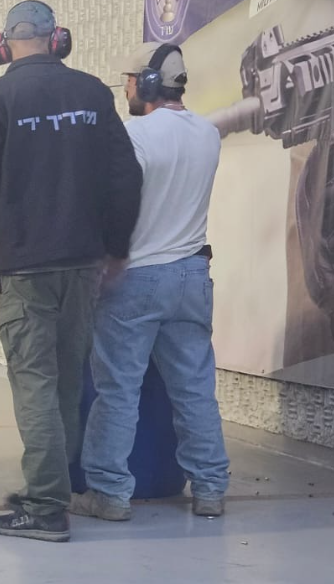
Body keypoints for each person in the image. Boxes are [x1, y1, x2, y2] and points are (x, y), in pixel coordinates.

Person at [0, 0, 142, 542]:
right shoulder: (93, 93)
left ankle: (44, 507)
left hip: (26, 264)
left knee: (34, 381)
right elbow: (125, 176)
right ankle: (53, 487)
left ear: (3, 46)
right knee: (64, 378)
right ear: (57, 39)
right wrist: (116, 248)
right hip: (83, 263)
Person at [73, 43, 229, 520]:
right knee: (195, 388)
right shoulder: (208, 134)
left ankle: (109, 493)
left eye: (128, 81)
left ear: (147, 82)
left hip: (137, 275)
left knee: (118, 390)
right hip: (192, 274)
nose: (125, 90)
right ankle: (210, 489)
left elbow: (110, 202)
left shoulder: (133, 135)